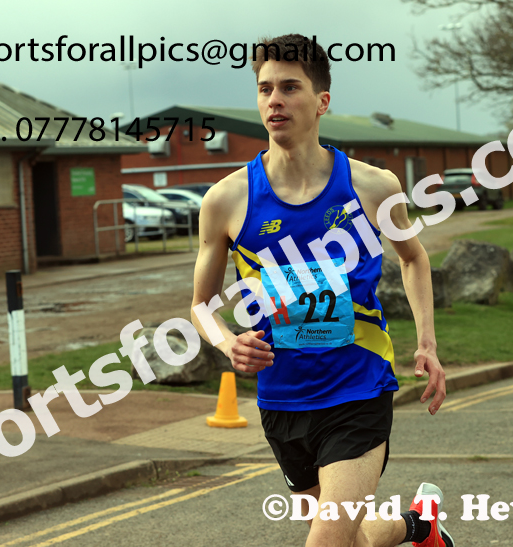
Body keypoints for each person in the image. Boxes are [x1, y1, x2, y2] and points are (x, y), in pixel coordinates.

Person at [191, 33, 453, 547]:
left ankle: (420, 527)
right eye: (265, 89)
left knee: (328, 540)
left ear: (322, 102)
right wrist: (227, 343)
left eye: (290, 88)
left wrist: (427, 343)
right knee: (345, 537)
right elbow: (201, 305)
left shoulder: (372, 186)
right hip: (282, 400)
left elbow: (414, 258)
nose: (275, 100)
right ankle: (420, 527)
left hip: (358, 389)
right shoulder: (225, 199)